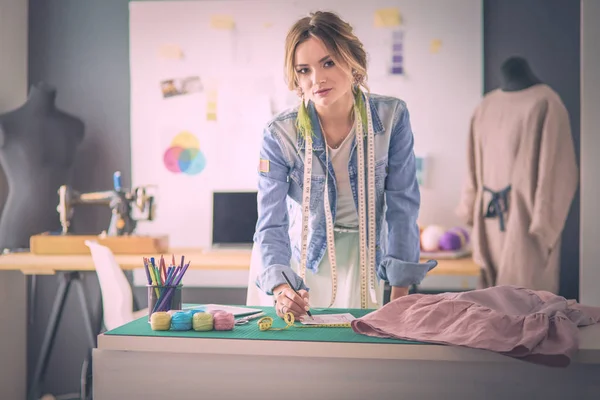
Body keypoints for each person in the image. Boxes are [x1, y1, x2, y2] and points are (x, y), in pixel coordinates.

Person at [246, 11, 437, 319]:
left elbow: (403, 205)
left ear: (352, 60)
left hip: (365, 260)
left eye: (328, 62)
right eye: (304, 70)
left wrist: (399, 293)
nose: (316, 79)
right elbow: (271, 221)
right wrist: (282, 291)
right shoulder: (279, 134)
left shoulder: (392, 119)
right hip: (296, 263)